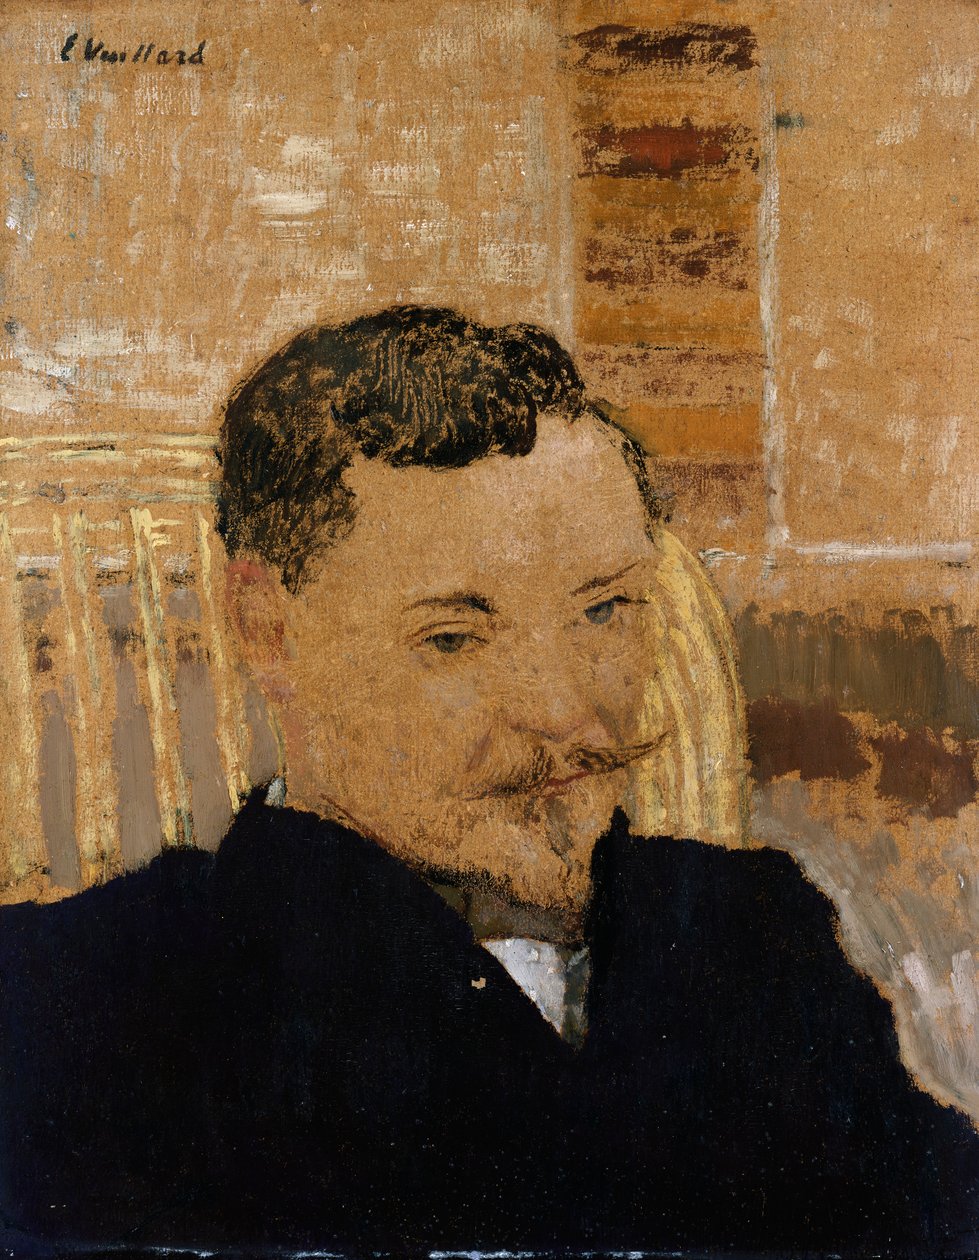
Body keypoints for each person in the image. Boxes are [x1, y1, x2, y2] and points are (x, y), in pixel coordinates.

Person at [0, 306, 977, 1257]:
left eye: (605, 611)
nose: (562, 711)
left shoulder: (756, 936)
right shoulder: (89, 1000)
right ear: (269, 631)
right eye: (454, 638)